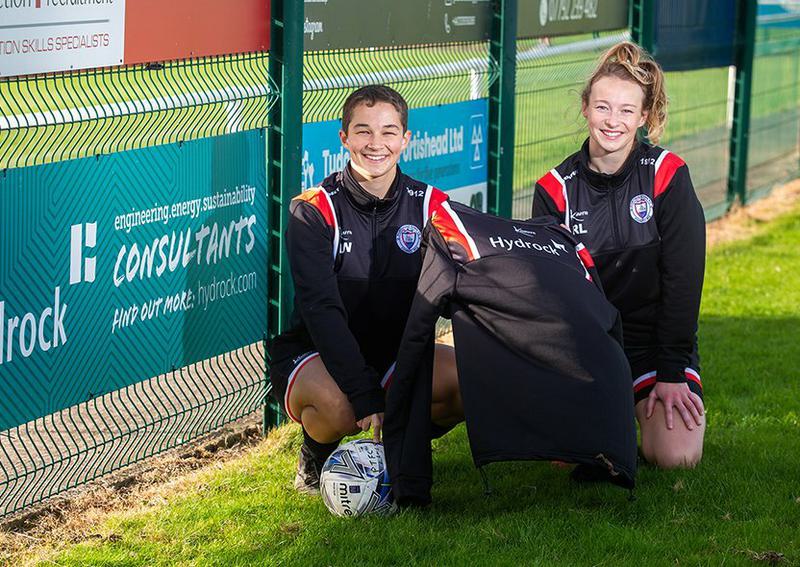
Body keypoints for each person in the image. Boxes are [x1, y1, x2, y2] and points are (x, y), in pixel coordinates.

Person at [268, 85, 463, 494]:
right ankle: (315, 455)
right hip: (317, 350)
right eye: (363, 132)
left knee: (466, 382)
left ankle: (398, 444)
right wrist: (364, 392)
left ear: (406, 140)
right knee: (340, 408)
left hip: (396, 352)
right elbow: (321, 310)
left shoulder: (432, 206)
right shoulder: (312, 210)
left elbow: (462, 289)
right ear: (344, 138)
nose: (377, 144)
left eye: (389, 132)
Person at [532, 41, 706, 469]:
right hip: (592, 346)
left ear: (643, 117)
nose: (613, 121)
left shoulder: (668, 175)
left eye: (627, 110)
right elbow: (555, 296)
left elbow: (684, 282)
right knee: (567, 458)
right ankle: (606, 417)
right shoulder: (554, 189)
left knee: (675, 457)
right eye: (603, 107)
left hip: (652, 344)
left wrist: (671, 370)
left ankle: (642, 409)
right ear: (586, 109)